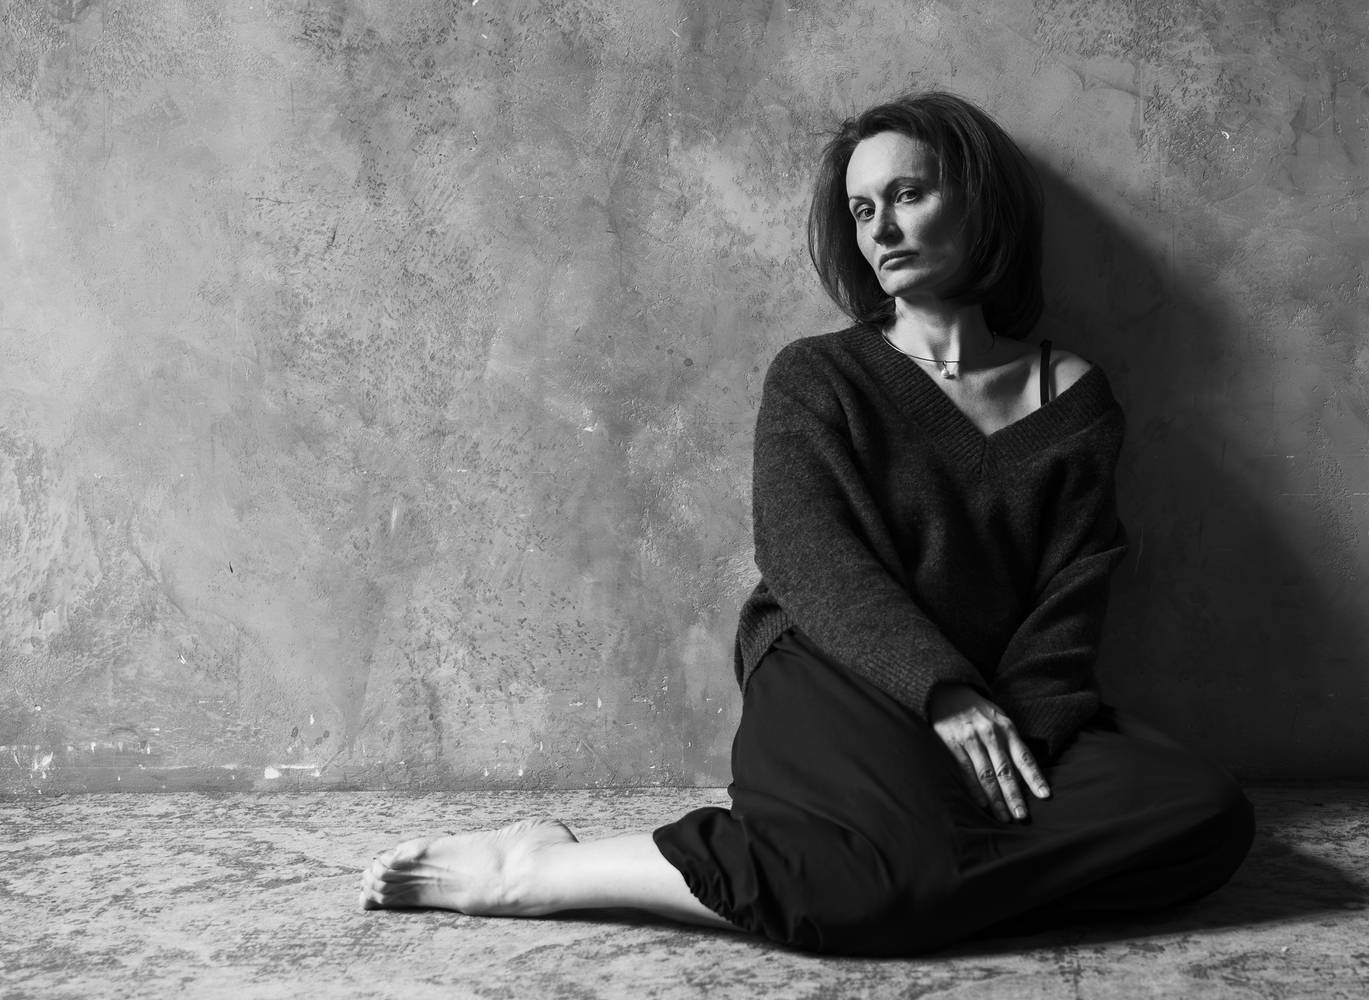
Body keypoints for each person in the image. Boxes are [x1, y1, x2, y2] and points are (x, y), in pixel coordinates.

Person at [358, 91, 1254, 956]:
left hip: (994, 699)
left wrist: (1017, 732)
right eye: (863, 210)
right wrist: (940, 690)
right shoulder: (819, 376)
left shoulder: (1076, 399)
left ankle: (913, 877)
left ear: (980, 203)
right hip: (831, 664)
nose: (882, 230)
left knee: (1202, 818)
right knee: (882, 880)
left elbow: (1073, 590)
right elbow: (807, 555)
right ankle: (543, 869)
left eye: (908, 194)